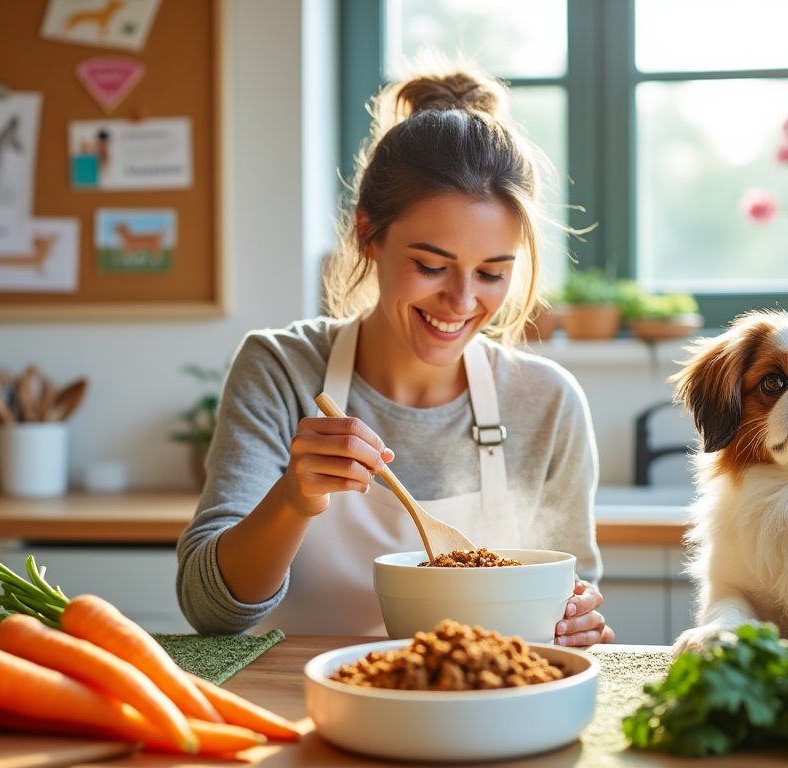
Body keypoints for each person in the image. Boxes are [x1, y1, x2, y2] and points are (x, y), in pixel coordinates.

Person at [176, 61, 614, 646]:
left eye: (491, 272)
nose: (460, 301)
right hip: (307, 708)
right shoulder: (281, 369)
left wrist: (576, 619)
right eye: (431, 266)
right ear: (367, 235)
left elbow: (569, 595)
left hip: (482, 713)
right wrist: (293, 498)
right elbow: (208, 611)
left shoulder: (548, 402)